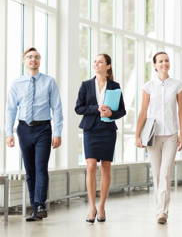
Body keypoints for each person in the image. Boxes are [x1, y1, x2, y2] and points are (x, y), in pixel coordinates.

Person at [5, 47, 63, 221]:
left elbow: (57, 108)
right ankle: (35, 207)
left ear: (40, 61)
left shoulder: (49, 82)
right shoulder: (17, 84)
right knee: (30, 170)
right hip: (24, 129)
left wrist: (58, 132)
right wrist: (9, 133)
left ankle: (39, 204)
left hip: (44, 129)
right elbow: (10, 110)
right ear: (24, 61)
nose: (33, 60)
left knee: (40, 167)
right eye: (30, 57)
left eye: (37, 57)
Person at [75, 53, 126, 223]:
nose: (96, 64)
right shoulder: (86, 85)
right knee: (90, 166)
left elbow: (122, 111)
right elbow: (78, 108)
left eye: (100, 62)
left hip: (107, 130)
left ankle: (102, 205)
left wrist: (111, 113)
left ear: (108, 66)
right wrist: (95, 108)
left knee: (105, 167)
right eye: (95, 61)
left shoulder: (115, 86)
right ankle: (91, 207)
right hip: (90, 129)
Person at [135, 52, 182, 224]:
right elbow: (143, 111)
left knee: (165, 173)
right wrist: (137, 135)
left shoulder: (177, 85)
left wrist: (181, 133)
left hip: (171, 134)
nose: (164, 63)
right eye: (161, 61)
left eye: (167, 60)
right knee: (156, 174)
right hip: (152, 135)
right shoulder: (148, 86)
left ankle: (162, 212)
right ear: (155, 65)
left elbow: (181, 111)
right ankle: (159, 208)